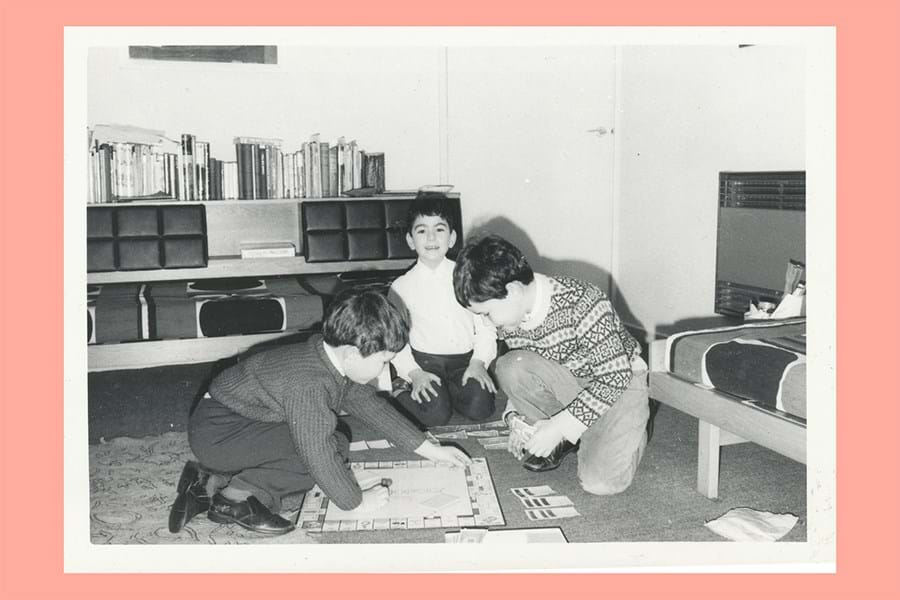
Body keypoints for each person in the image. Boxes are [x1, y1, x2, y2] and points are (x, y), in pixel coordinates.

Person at [168, 289, 472, 536]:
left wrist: (431, 449)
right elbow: (316, 450)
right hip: (218, 433)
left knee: (335, 443)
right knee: (321, 454)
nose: (386, 369)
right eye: (383, 361)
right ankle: (233, 499)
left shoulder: (330, 357)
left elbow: (373, 407)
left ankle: (206, 481)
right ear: (352, 354)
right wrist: (354, 503)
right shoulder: (310, 382)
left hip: (231, 423)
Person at [452, 234, 649, 496]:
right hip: (570, 382)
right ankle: (576, 432)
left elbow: (614, 378)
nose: (488, 323)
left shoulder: (582, 300)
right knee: (511, 365)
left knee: (600, 484)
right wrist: (516, 417)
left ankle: (627, 429)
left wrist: (559, 427)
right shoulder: (513, 315)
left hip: (620, 385)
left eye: (486, 313)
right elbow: (524, 369)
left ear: (513, 291)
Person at [386, 193, 498, 427]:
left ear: (452, 237)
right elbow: (396, 340)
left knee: (481, 407)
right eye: (421, 231)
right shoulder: (401, 287)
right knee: (434, 416)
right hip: (424, 363)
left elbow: (486, 328)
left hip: (465, 361)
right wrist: (413, 373)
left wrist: (479, 362)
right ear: (410, 240)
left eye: (439, 229)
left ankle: (450, 394)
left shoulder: (468, 277)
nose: (431, 238)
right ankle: (399, 390)